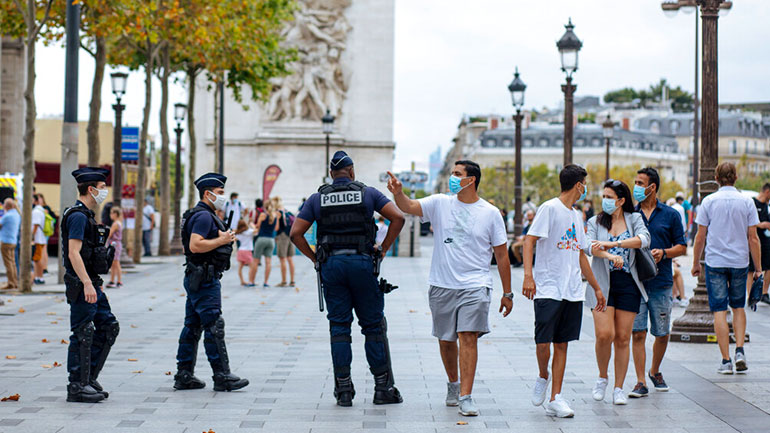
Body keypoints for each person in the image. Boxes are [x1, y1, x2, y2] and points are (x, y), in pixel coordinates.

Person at [388, 160, 512, 416]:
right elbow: (409, 206)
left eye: (457, 174)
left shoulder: (490, 213)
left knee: (468, 336)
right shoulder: (440, 203)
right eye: (452, 173)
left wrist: (508, 293)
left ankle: (466, 396)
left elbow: (501, 256)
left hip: (475, 285)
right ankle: (453, 384)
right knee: (446, 340)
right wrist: (398, 193)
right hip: (442, 284)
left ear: (472, 180)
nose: (452, 178)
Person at [290, 150, 406, 407]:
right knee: (373, 326)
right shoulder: (368, 194)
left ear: (331, 175)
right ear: (352, 171)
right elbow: (398, 217)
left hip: (332, 266)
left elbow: (296, 233)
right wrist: (384, 248)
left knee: (339, 328)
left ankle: (343, 390)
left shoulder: (317, 198)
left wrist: (314, 258)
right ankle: (382, 388)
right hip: (362, 263)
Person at [522, 164, 605, 418]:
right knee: (543, 341)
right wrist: (528, 276)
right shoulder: (550, 208)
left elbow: (580, 253)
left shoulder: (576, 215)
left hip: (571, 290)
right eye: (585, 183)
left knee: (562, 343)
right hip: (548, 286)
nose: (585, 189)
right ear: (578, 184)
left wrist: (596, 287)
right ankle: (542, 375)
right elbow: (529, 240)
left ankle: (556, 397)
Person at [174, 173, 249, 392]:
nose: (223, 197)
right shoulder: (204, 216)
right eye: (220, 193)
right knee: (214, 325)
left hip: (197, 276)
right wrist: (223, 240)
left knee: (192, 326)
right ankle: (222, 375)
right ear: (208, 194)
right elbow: (196, 245)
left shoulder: (199, 214)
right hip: (204, 277)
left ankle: (184, 374)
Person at [585, 179, 651, 405]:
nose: (605, 201)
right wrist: (610, 254)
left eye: (610, 197)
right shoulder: (595, 221)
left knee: (623, 337)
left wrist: (617, 245)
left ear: (622, 200)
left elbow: (644, 239)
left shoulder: (634, 219)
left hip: (628, 284)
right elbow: (590, 245)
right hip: (602, 282)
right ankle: (602, 377)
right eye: (603, 196)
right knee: (605, 334)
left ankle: (618, 388)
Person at [692, 162, 761, 374]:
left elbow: (700, 236)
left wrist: (696, 262)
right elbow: (753, 238)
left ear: (715, 177)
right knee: (738, 307)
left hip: (715, 262)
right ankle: (740, 350)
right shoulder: (747, 201)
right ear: (736, 177)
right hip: (740, 261)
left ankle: (725, 361)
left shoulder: (709, 201)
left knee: (719, 311)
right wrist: (758, 267)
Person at [629, 167, 687, 398]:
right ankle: (640, 381)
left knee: (662, 333)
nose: (636, 187)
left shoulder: (671, 215)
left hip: (662, 282)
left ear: (652, 187)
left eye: (640, 183)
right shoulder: (630, 215)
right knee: (638, 332)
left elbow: (682, 247)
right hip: (635, 284)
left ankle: (655, 371)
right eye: (635, 182)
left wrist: (664, 252)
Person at [62, 167, 119, 403]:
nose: (105, 192)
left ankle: (88, 378)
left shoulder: (87, 215)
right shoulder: (77, 216)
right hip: (82, 284)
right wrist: (86, 283)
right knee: (83, 332)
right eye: (103, 188)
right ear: (91, 189)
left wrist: (94, 281)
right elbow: (73, 253)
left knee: (108, 327)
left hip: (92, 283)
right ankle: (77, 385)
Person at [747, 183, 770, 305]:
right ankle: (750, 295)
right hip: (754, 238)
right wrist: (762, 225)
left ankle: (764, 293)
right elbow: (748, 222)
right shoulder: (752, 203)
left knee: (768, 266)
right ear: (767, 192)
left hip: (765, 240)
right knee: (751, 268)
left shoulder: (767, 205)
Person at [250, 199, 279, 287]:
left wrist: (251, 224)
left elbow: (257, 226)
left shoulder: (263, 215)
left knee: (256, 260)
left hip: (261, 239)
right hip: (271, 240)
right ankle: (266, 282)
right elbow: (276, 228)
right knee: (268, 262)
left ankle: (252, 281)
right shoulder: (275, 215)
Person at [274, 197, 296, 287]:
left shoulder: (278, 212)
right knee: (290, 258)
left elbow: (277, 227)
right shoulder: (287, 212)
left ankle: (283, 281)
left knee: (282, 259)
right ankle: (292, 281)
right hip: (290, 235)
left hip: (282, 236)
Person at [0, 198, 20, 290]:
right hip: (13, 241)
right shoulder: (16, 214)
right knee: (13, 263)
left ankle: (11, 283)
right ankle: (15, 282)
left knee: (8, 264)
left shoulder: (7, 216)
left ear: (6, 206)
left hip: (6, 241)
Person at [36, 193, 56, 275]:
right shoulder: (43, 208)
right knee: (42, 250)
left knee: (43, 250)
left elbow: (53, 218)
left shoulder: (44, 208)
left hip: (44, 231)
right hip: (44, 231)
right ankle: (42, 268)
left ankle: (44, 268)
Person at [105, 207, 124, 289]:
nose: (110, 215)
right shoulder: (119, 223)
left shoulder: (115, 224)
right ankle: (113, 280)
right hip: (116, 244)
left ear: (115, 214)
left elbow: (110, 233)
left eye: (111, 213)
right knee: (114, 263)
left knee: (116, 263)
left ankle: (118, 281)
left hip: (115, 244)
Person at [234, 219, 256, 287]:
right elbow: (256, 231)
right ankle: (250, 281)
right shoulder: (249, 232)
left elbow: (234, 238)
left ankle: (242, 281)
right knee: (252, 267)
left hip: (240, 251)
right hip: (247, 251)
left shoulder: (238, 233)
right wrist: (252, 225)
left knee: (240, 267)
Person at [31, 195, 47, 284]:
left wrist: (32, 236)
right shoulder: (40, 210)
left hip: (37, 238)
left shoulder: (36, 211)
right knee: (37, 259)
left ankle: (40, 277)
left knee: (37, 259)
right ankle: (38, 276)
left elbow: (36, 225)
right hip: (40, 238)